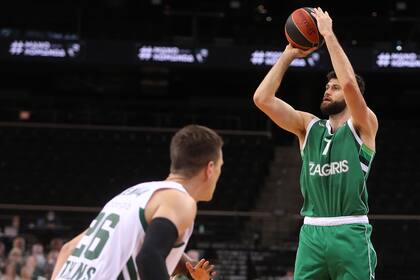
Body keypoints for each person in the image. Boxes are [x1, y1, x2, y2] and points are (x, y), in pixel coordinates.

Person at [253, 7, 378, 280]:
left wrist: (327, 34)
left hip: (350, 232)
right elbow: (262, 99)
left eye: (333, 88)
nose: (327, 90)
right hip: (311, 232)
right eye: (326, 87)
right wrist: (288, 55)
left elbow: (349, 85)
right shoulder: (308, 127)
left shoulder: (364, 124)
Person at [51, 124, 223, 280]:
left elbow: (69, 248)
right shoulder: (181, 200)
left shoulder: (134, 193)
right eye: (220, 167)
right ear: (209, 169)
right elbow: (149, 257)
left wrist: (185, 265)